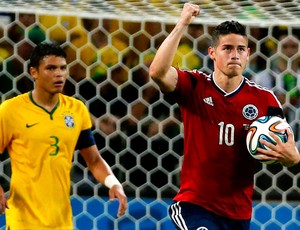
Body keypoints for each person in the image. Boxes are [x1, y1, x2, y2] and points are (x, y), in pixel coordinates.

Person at [149, 3, 300, 230]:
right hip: (194, 205)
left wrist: (293, 160)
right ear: (212, 53)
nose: (235, 55)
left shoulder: (265, 100)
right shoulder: (195, 85)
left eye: (241, 49)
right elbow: (157, 72)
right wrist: (183, 23)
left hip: (238, 212)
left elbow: (287, 147)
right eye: (227, 48)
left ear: (248, 54)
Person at [0, 42, 127, 229]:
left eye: (62, 68)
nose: (59, 74)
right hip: (23, 220)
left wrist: (113, 183)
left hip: (62, 221)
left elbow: (93, 160)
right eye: (51, 68)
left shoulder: (76, 110)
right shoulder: (11, 110)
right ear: (34, 72)